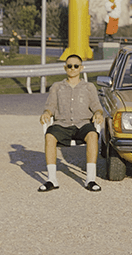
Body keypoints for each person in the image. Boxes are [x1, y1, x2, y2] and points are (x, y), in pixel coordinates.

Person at [38, 55, 104, 193]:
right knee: (49, 135)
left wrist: (98, 113)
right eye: (69, 66)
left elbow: (97, 106)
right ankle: (52, 180)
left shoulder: (89, 87)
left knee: (93, 135)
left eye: (76, 66)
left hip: (82, 124)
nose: (72, 69)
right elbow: (50, 106)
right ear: (65, 68)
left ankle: (90, 179)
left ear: (81, 68)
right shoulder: (57, 87)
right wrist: (46, 113)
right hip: (62, 124)